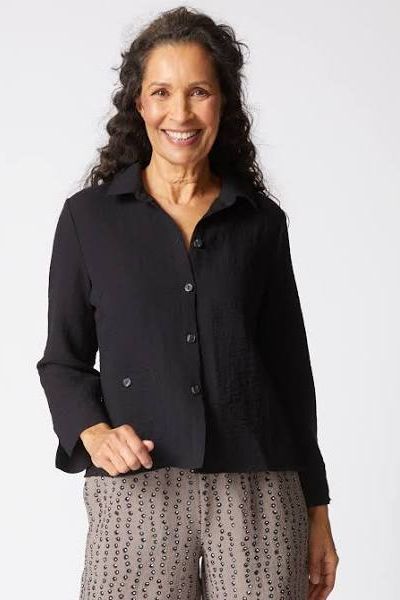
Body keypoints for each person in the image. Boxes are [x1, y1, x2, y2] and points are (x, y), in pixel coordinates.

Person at [36, 6, 339, 600]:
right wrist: (93, 432)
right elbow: (62, 361)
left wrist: (318, 509)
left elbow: (291, 375)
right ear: (139, 104)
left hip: (258, 494)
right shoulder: (88, 220)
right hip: (135, 491)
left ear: (223, 103)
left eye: (198, 91)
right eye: (162, 92)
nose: (180, 113)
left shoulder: (260, 222)